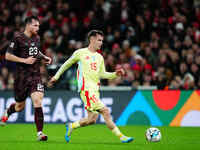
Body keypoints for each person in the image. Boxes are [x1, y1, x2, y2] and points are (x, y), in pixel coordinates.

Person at [48, 30, 133, 143]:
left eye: (102, 40)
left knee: (92, 119)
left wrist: (114, 74)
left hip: (95, 90)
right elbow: (66, 64)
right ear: (92, 39)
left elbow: (102, 74)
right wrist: (56, 76)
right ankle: (122, 137)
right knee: (105, 111)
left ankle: (71, 126)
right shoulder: (80, 53)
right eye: (99, 40)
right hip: (86, 89)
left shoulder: (100, 57)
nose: (101, 43)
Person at [0, 16, 52, 141]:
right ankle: (8, 111)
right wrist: (24, 60)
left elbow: (35, 52)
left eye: (38, 26)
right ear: (28, 25)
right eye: (35, 25)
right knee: (19, 107)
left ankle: (40, 133)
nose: (37, 28)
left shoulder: (37, 38)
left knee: (38, 101)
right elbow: (7, 55)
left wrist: (44, 57)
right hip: (21, 77)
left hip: (35, 75)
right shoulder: (18, 38)